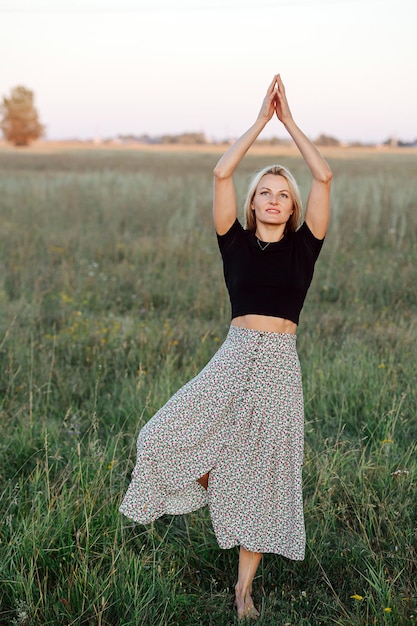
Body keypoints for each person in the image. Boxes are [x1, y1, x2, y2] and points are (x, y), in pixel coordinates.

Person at [119, 74, 332, 621]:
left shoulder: (305, 248)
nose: (275, 199)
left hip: (280, 365)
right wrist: (262, 120)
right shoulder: (232, 240)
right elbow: (220, 171)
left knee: (267, 471)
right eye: (266, 190)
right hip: (235, 357)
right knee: (159, 434)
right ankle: (221, 485)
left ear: (293, 207)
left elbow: (325, 175)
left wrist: (290, 123)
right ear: (252, 201)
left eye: (285, 194)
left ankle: (243, 591)